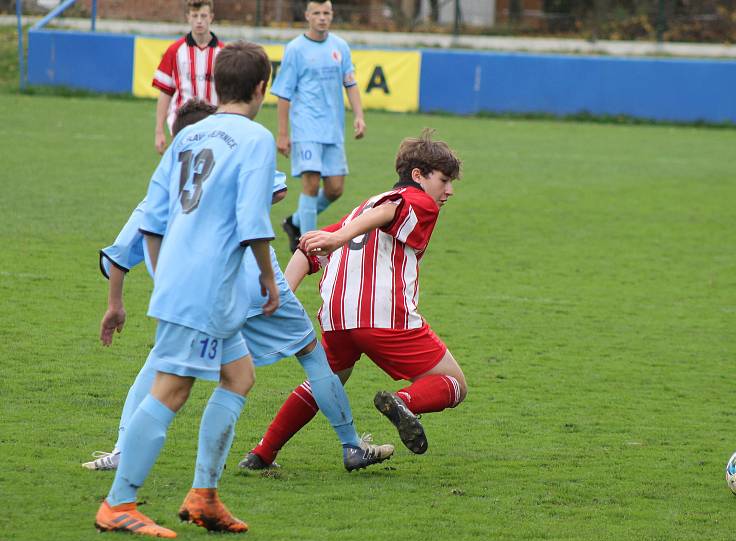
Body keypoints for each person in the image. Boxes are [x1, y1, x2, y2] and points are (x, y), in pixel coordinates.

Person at [84, 100, 392, 477]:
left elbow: (118, 255)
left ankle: (124, 451)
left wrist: (115, 304)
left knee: (164, 366)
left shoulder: (161, 189)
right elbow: (275, 192)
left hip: (200, 291)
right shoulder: (237, 157)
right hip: (257, 282)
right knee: (308, 357)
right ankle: (351, 445)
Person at [240, 129, 467, 470]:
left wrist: (282, 293)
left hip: (336, 316)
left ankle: (262, 453)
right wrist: (343, 237)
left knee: (327, 381)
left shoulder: (365, 206)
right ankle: (403, 402)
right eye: (444, 180)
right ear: (418, 175)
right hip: (383, 315)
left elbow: (307, 248)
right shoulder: (413, 199)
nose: (449, 190)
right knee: (454, 384)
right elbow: (396, 208)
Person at [271, 0, 366, 252]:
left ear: (332, 15)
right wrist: (283, 134)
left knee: (335, 189)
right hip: (306, 128)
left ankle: (295, 222)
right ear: (307, 16)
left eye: (326, 13)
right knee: (311, 185)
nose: (322, 17)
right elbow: (283, 94)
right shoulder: (295, 49)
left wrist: (359, 115)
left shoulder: (340, 46)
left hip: (333, 129)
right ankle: (310, 249)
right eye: (317, 13)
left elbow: (350, 83)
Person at [153, 0, 222, 154]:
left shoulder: (223, 53)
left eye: (203, 16)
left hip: (214, 126)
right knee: (183, 173)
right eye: (195, 15)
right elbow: (165, 93)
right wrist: (159, 131)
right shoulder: (174, 51)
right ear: (188, 17)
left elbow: (229, 96)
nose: (199, 21)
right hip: (181, 124)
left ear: (211, 17)